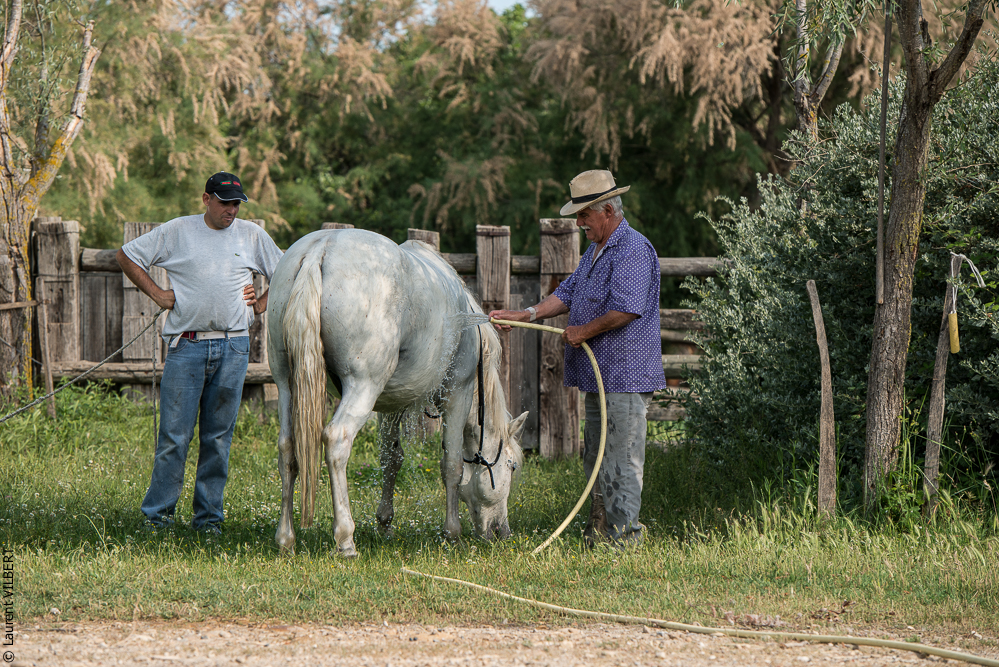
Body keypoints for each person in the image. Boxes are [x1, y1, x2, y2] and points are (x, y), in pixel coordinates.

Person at [490, 169, 666, 546]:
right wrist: (527, 315)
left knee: (620, 460)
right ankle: (598, 534)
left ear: (607, 211)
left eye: (584, 215)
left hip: (625, 375)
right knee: (596, 458)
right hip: (601, 375)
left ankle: (625, 541)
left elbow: (627, 308)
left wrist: (582, 331)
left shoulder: (633, 248)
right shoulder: (596, 250)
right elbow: (568, 292)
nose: (578, 223)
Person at [117, 172, 284, 533]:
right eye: (225, 202)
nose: (231, 210)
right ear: (206, 199)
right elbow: (127, 255)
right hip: (187, 345)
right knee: (173, 437)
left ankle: (208, 521)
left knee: (218, 438)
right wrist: (158, 295)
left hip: (234, 345)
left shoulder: (252, 234)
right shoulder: (178, 230)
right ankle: (157, 518)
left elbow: (287, 270)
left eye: (236, 203)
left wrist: (260, 304)